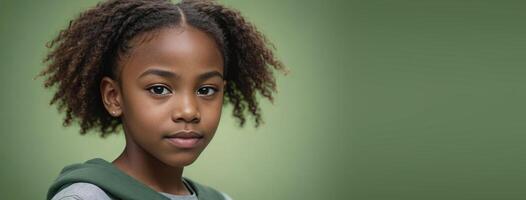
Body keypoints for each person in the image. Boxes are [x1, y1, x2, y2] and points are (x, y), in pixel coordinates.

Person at [37, 0, 286, 199]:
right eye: (159, 89)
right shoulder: (86, 197)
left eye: (206, 90)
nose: (189, 111)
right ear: (114, 97)